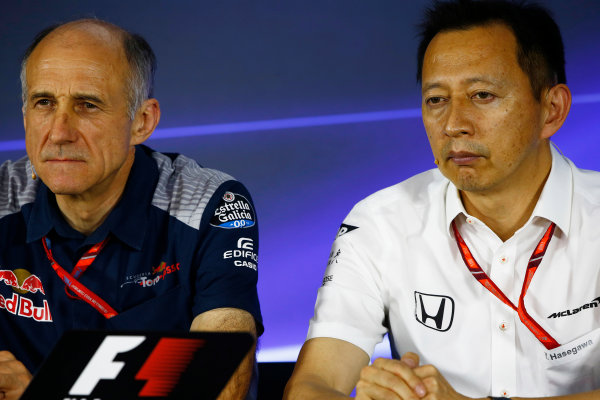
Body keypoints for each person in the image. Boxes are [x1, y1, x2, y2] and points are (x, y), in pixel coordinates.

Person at [285, 0, 600, 399]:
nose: (454, 124)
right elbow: (314, 383)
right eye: (436, 99)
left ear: (551, 109)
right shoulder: (380, 222)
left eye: (482, 95)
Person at [0, 19, 262, 400]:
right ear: (25, 116)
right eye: (44, 103)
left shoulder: (211, 203)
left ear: (142, 122)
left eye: (87, 105)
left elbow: (223, 383)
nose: (58, 132)